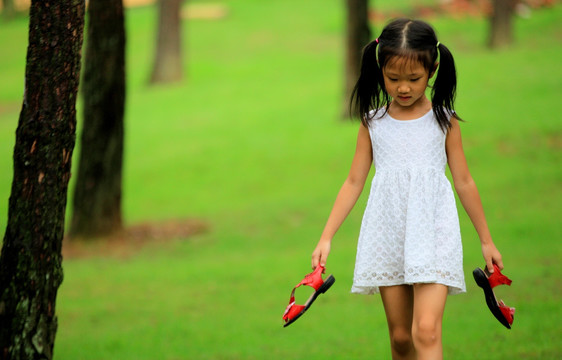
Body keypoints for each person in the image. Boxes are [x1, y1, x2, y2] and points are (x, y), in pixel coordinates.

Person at [311, 18, 504, 360]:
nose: (403, 88)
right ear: (380, 69)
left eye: (413, 79)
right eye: (393, 78)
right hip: (388, 234)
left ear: (433, 70)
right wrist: (326, 237)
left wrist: (486, 240)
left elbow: (464, 181)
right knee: (401, 338)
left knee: (426, 331)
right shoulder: (373, 123)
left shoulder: (444, 120)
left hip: (433, 233)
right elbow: (354, 181)